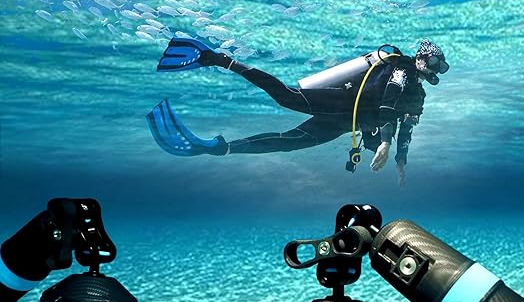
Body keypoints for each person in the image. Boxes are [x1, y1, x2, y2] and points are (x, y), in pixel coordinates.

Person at [146, 37, 448, 185]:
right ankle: (220, 59)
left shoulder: (418, 96)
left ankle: (220, 148)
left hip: (344, 124)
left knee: (288, 142)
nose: (435, 69)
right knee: (286, 97)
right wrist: (384, 143)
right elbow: (389, 100)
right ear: (420, 58)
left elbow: (407, 127)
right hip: (342, 102)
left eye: (439, 66)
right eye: (433, 62)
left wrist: (400, 159)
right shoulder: (401, 69)